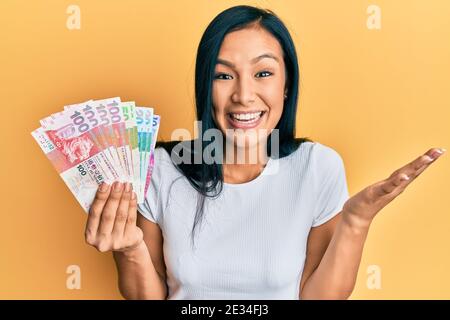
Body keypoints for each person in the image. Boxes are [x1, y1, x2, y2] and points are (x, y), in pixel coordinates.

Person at [83, 5, 446, 299]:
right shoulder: (162, 168)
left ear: (287, 85)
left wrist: (356, 220)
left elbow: (316, 297)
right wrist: (129, 249)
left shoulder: (317, 167)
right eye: (223, 76)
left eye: (263, 73)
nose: (243, 95)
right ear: (203, 88)